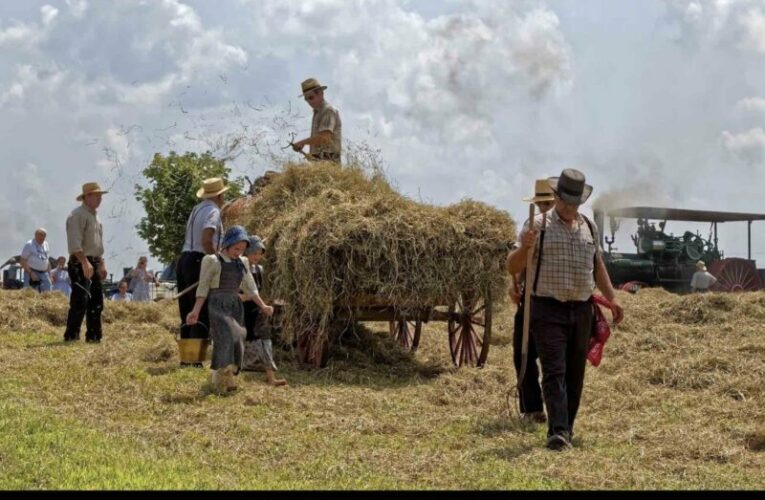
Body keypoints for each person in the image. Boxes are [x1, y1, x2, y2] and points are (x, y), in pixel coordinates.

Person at [508, 168, 624, 451]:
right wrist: (525, 248)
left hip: (582, 309)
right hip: (547, 309)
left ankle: (566, 428)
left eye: (575, 203)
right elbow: (512, 265)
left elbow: (597, 266)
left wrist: (613, 298)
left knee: (575, 374)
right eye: (566, 202)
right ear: (557, 197)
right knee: (553, 370)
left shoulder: (589, 227)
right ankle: (557, 432)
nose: (570, 208)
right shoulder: (537, 225)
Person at [186, 226, 275, 394]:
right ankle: (225, 380)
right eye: (236, 249)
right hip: (218, 304)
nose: (238, 252)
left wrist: (263, 305)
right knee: (227, 335)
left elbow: (251, 287)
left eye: (242, 250)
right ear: (227, 244)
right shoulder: (212, 261)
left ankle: (221, 375)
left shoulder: (243, 263)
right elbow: (203, 287)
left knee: (239, 337)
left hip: (235, 305)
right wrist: (195, 311)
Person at [508, 179, 555, 424]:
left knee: (552, 359)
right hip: (530, 299)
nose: (545, 207)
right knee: (522, 353)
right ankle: (533, 408)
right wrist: (514, 283)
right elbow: (516, 260)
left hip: (555, 302)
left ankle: (558, 410)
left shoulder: (566, 228)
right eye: (541, 203)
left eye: (548, 203)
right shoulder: (530, 226)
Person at [176, 177, 228, 366]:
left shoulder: (196, 209)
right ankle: (195, 359)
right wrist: (216, 260)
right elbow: (207, 238)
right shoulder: (213, 211)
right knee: (201, 308)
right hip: (199, 259)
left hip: (184, 259)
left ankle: (187, 357)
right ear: (220, 195)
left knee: (187, 310)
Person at [64, 182, 108, 343]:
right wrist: (84, 262)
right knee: (80, 300)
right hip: (80, 261)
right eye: (97, 195)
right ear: (87, 196)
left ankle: (94, 336)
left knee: (97, 301)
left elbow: (98, 244)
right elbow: (74, 243)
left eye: (100, 196)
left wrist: (101, 263)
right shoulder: (77, 215)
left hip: (94, 260)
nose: (100, 199)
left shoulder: (96, 217)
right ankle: (72, 335)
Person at [242, 236, 288, 387]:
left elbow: (261, 292)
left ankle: (271, 378)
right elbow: (235, 293)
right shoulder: (240, 268)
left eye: (259, 253)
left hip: (258, 311)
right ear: (246, 252)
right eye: (253, 253)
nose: (257, 256)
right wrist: (249, 297)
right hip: (243, 311)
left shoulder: (259, 269)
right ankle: (232, 375)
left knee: (266, 341)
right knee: (244, 343)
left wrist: (269, 302)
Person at [292, 78, 342, 163]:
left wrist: (302, 143)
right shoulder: (317, 113)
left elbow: (325, 138)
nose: (309, 102)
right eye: (306, 99)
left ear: (321, 93)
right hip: (319, 161)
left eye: (311, 97)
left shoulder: (328, 110)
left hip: (329, 160)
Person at [20, 228, 52, 292]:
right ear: (36, 235)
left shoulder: (46, 244)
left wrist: (50, 274)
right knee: (29, 292)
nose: (42, 239)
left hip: (44, 273)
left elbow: (47, 260)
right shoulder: (29, 244)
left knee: (48, 291)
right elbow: (23, 260)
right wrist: (31, 273)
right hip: (31, 272)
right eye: (40, 236)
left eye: (44, 236)